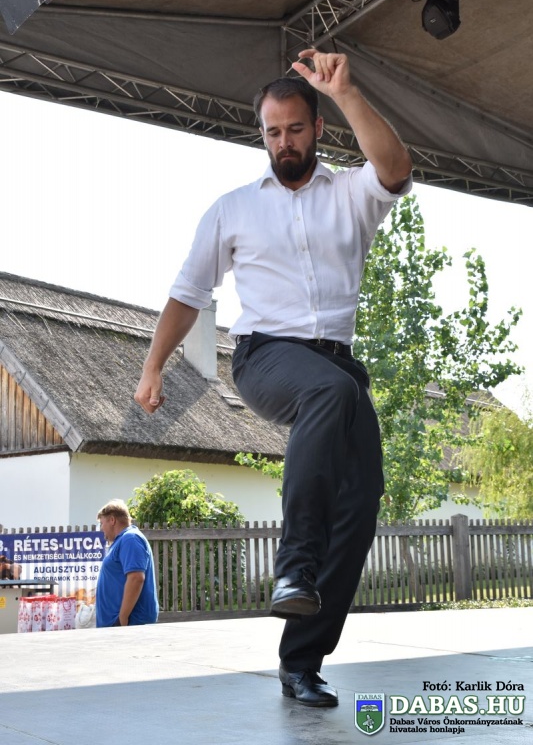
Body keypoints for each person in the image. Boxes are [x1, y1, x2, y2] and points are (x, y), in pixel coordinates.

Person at [134, 48, 412, 706]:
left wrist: (345, 92)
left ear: (317, 128)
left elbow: (396, 168)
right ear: (261, 134)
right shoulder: (232, 209)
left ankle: (300, 661)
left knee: (360, 502)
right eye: (272, 132)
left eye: (294, 129)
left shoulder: (352, 194)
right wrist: (152, 368)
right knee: (329, 389)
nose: (283, 142)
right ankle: (293, 566)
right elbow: (187, 294)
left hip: (337, 364)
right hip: (264, 358)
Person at [96, 499, 159, 627]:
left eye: (102, 523)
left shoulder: (130, 538)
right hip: (118, 624)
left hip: (128, 624)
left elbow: (136, 578)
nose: (101, 528)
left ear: (112, 520)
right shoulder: (123, 540)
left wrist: (122, 618)